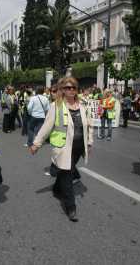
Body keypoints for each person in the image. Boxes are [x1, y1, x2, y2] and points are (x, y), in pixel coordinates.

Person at [29, 77, 93, 222]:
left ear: (77, 90)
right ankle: (71, 207)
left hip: (78, 148)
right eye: (67, 88)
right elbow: (46, 127)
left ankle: (57, 189)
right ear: (62, 90)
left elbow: (89, 126)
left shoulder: (83, 105)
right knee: (67, 175)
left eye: (73, 88)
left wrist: (89, 142)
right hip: (63, 147)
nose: (70, 90)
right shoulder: (56, 106)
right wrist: (36, 144)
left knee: (67, 172)